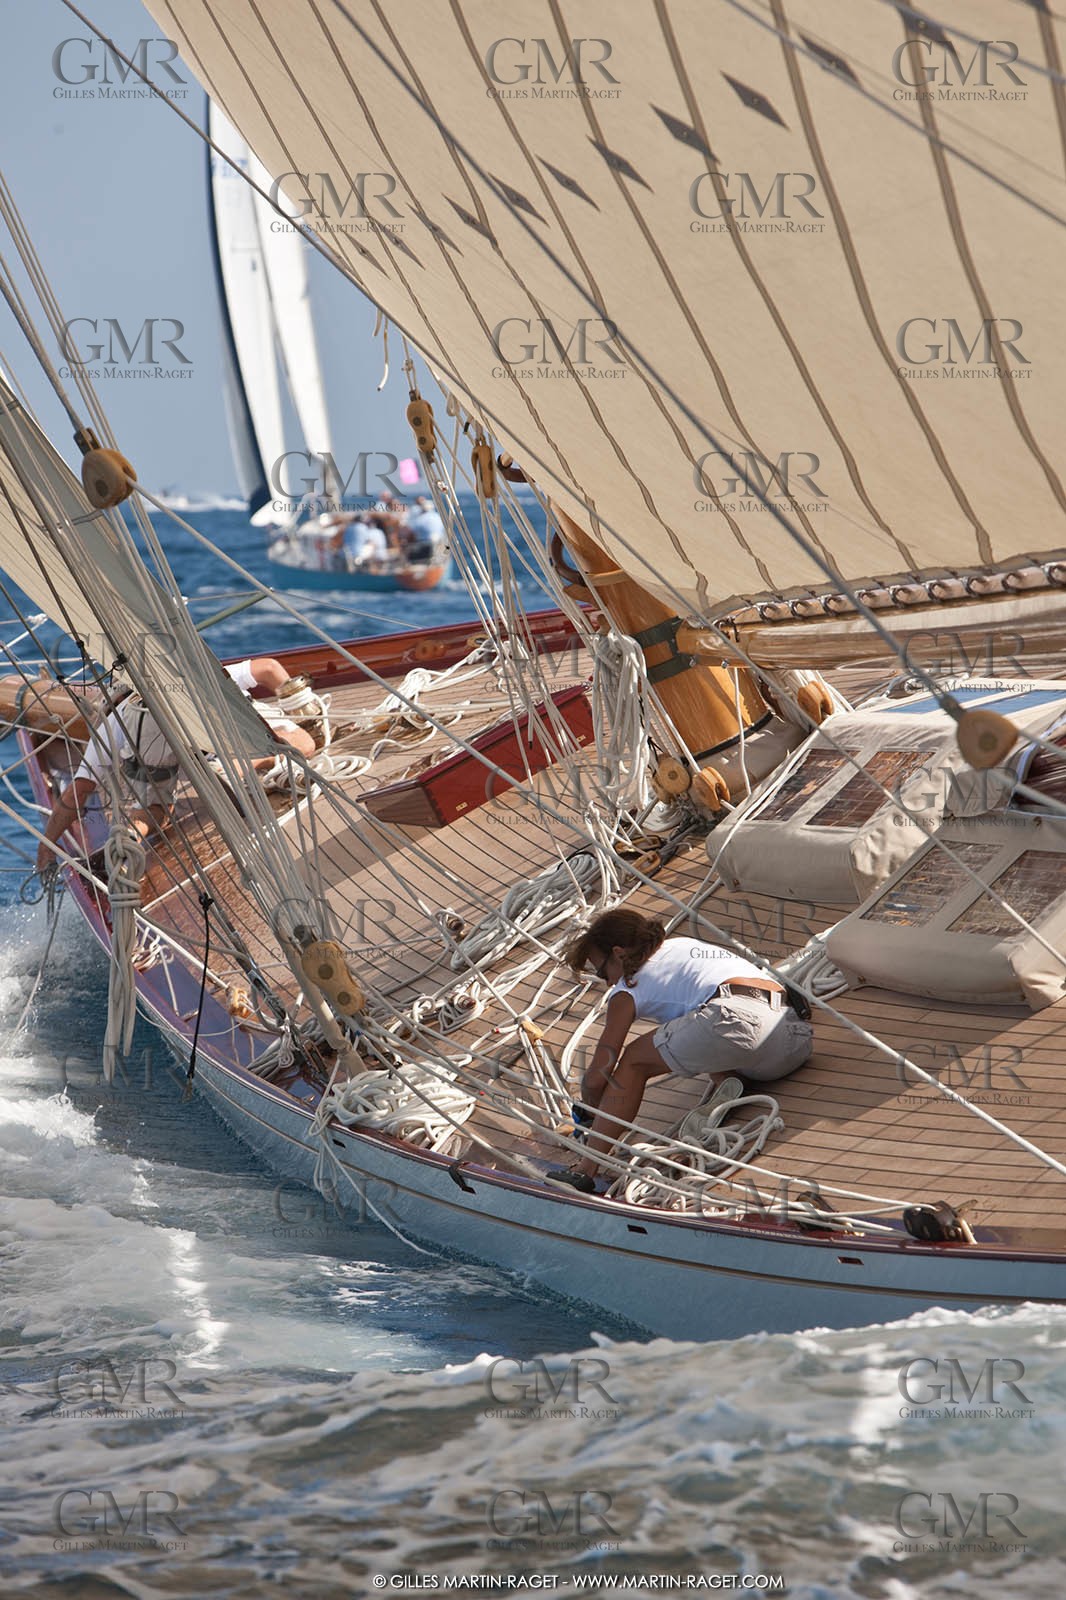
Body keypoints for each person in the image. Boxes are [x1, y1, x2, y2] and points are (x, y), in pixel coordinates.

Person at [547, 909, 813, 1193]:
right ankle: (728, 1080)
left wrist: (589, 1112)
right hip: (793, 1041)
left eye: (603, 972)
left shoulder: (627, 988)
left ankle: (585, 1170)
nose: (608, 982)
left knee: (635, 1059)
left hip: (737, 1020)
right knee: (694, 1023)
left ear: (619, 954)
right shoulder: (683, 945)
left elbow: (600, 1073)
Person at [35, 658, 315, 880]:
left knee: (157, 807)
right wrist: (301, 705)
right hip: (218, 724)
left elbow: (79, 791)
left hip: (149, 735)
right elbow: (268, 667)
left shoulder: (115, 722)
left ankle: (128, 836)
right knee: (302, 741)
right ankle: (238, 766)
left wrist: (46, 848)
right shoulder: (204, 677)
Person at [404, 495, 446, 562]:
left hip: (426, 546)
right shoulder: (438, 517)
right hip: (439, 545)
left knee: (409, 555)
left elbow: (412, 531)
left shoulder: (421, 518)